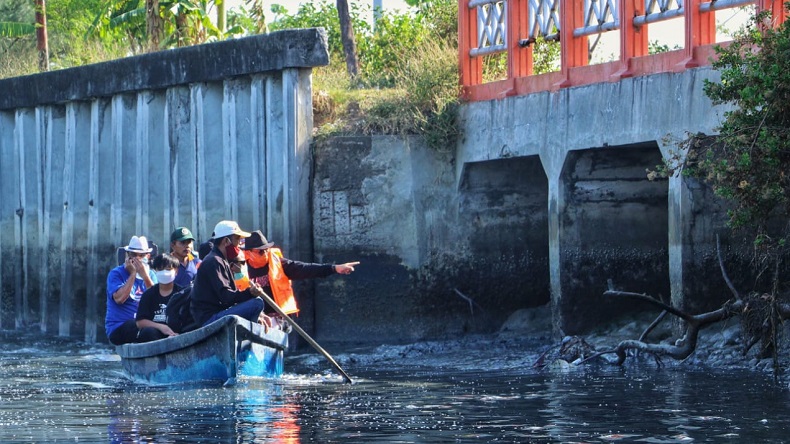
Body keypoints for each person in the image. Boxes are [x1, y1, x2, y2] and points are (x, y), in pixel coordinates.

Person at [241, 230, 359, 327]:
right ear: (249, 253)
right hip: (254, 317)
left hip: (277, 317)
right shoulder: (241, 268)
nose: (265, 253)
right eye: (261, 251)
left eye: (267, 249)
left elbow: (305, 268)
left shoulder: (279, 264)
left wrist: (334, 268)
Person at [190, 220, 270, 328]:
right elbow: (227, 297)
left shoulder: (220, 260)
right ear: (226, 241)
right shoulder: (214, 261)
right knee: (257, 303)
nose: (239, 244)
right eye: (237, 239)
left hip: (216, 313)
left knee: (254, 303)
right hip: (210, 317)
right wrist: (250, 292)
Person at [105, 235, 158, 345]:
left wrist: (145, 276)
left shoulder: (151, 275)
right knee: (141, 328)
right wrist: (133, 274)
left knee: (153, 331)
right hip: (119, 326)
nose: (137, 259)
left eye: (141, 255)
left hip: (145, 324)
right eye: (133, 255)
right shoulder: (116, 273)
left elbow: (157, 300)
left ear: (147, 256)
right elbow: (119, 299)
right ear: (127, 255)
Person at [135, 253, 182, 342]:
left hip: (178, 336)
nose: (164, 273)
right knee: (147, 332)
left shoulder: (182, 294)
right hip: (155, 336)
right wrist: (161, 327)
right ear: (155, 271)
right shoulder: (148, 295)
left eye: (168, 269)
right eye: (160, 269)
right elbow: (140, 322)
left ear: (176, 271)